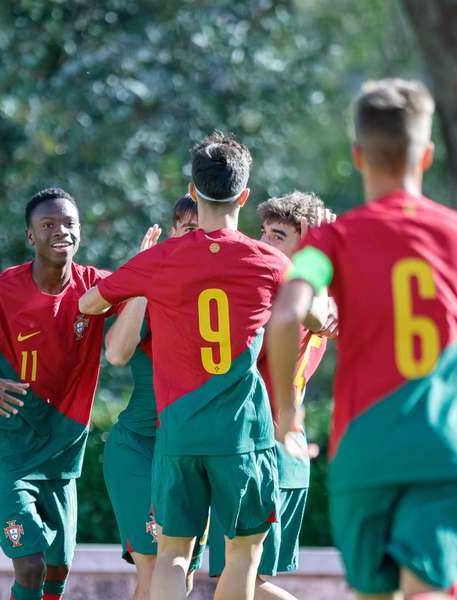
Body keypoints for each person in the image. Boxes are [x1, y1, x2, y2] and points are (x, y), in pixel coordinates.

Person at [266, 79, 457, 600]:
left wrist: (287, 419)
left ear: (358, 156)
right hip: (445, 454)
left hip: (363, 454)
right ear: (427, 155)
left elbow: (284, 318)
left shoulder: (331, 239)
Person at [79, 132, 324, 600]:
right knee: (242, 557)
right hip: (242, 436)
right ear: (244, 197)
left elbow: (91, 304)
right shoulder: (270, 261)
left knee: (172, 553)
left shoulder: (160, 259)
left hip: (178, 433)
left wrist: (140, 280)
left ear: (193, 191)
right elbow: (313, 314)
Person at [0, 187, 122, 600]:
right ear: (30, 237)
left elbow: (149, 298)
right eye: (48, 225)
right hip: (6, 448)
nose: (61, 231)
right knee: (31, 564)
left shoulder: (96, 287)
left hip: (62, 448)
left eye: (70, 223)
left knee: (57, 568)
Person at [207, 191, 335, 600]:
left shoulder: (282, 304)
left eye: (278, 235)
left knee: (241, 575)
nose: (263, 243)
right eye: (262, 232)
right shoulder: (324, 300)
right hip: (287, 454)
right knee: (243, 577)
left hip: (263, 449)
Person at [101, 195, 203, 600]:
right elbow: (116, 353)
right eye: (187, 228)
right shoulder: (154, 287)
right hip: (140, 449)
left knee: (183, 577)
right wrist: (144, 278)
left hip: (195, 452)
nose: (197, 238)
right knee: (156, 566)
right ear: (172, 233)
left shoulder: (232, 287)